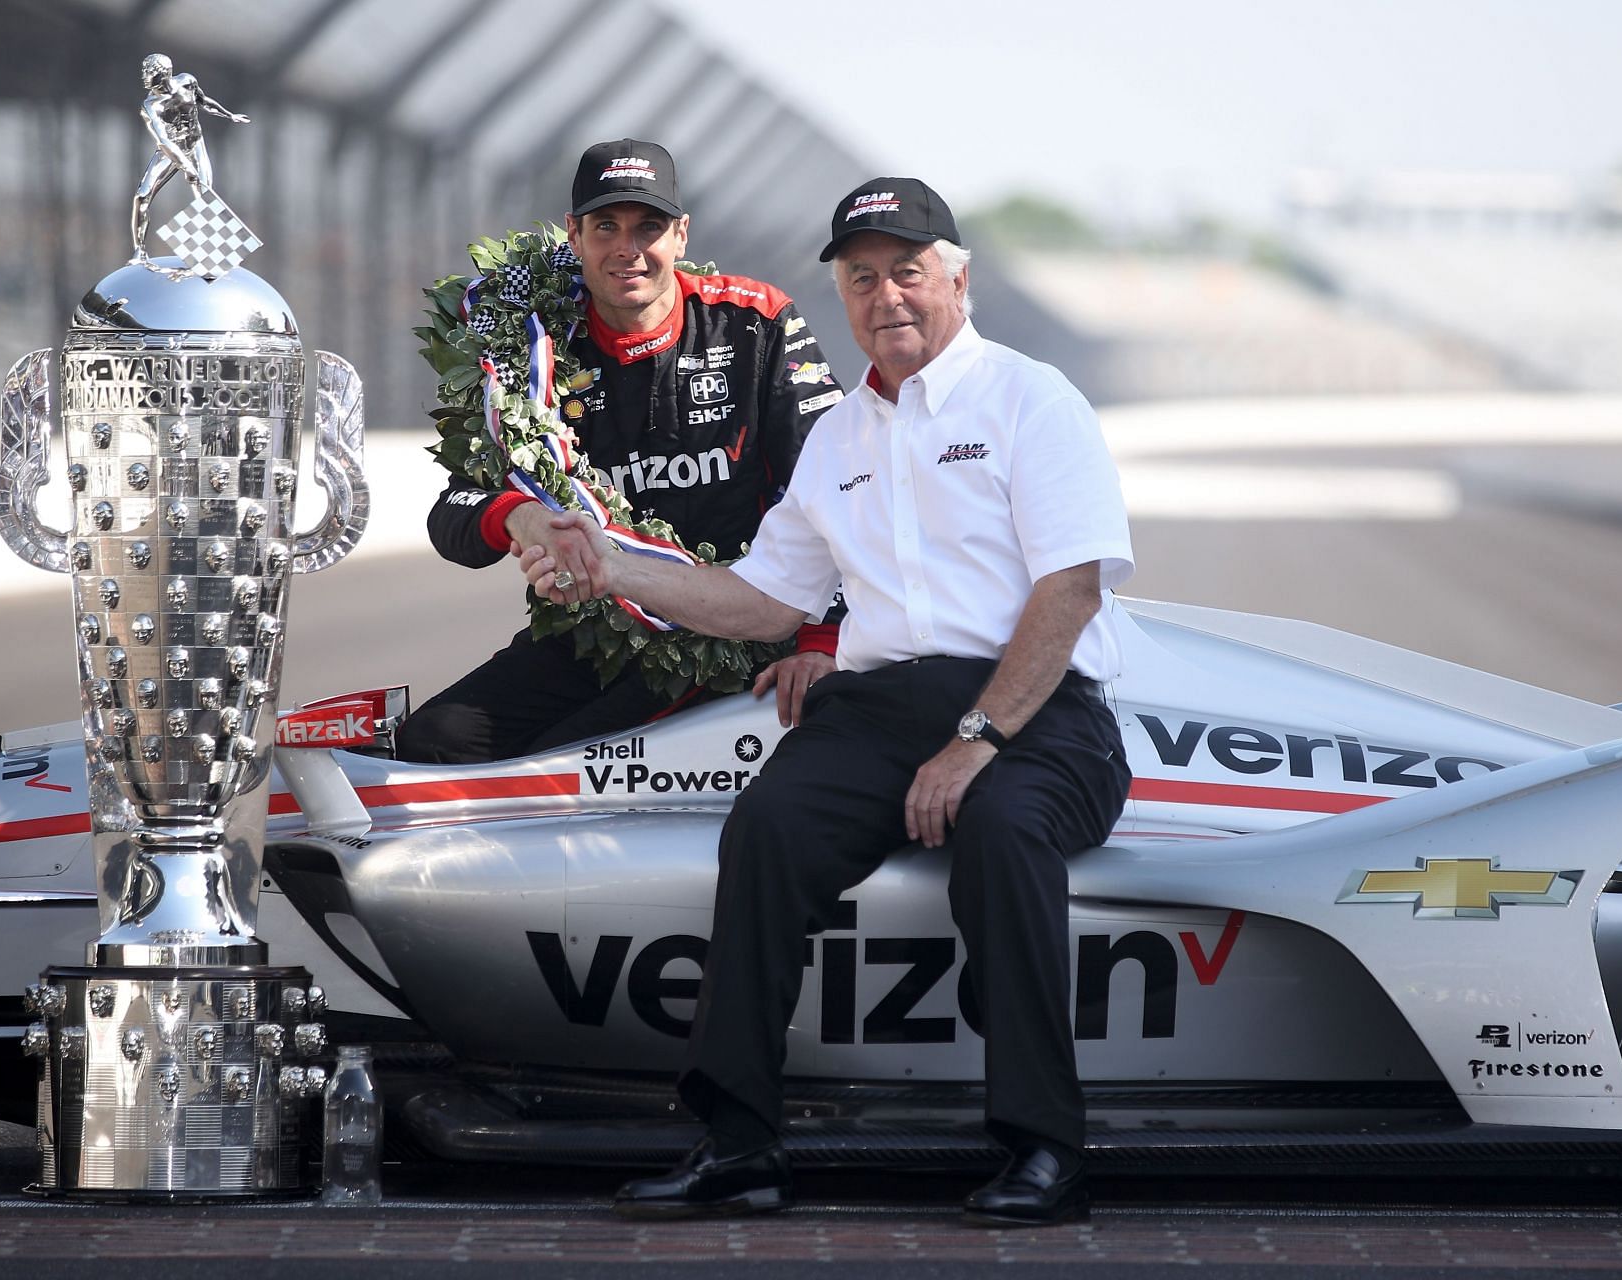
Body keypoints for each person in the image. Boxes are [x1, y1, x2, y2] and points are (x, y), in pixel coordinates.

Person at [515, 178, 1134, 1227]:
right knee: (768, 827)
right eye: (861, 276)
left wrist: (978, 738)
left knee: (1002, 827)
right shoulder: (838, 437)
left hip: (1037, 711)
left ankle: (1042, 1146)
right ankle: (740, 1145)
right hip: (878, 708)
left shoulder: (1033, 397)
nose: (885, 293)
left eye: (907, 269)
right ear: (842, 295)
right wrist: (610, 564)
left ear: (957, 278)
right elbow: (760, 601)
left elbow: (1069, 588)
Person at [397, 138, 845, 764]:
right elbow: (453, 511)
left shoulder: (755, 322)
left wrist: (822, 641)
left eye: (648, 227)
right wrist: (520, 519)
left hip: (731, 637)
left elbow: (846, 491)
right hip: (595, 633)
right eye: (606, 226)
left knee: (556, 765)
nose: (627, 249)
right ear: (574, 236)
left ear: (681, 236)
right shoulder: (529, 344)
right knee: (433, 741)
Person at [130, 53, 250, 263]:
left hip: (194, 144)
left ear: (163, 73)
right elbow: (163, 141)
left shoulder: (187, 81)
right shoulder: (151, 106)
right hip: (170, 151)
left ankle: (213, 250)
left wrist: (229, 115)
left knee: (205, 194)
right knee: (142, 196)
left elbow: (204, 102)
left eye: (149, 71)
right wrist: (185, 166)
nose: (144, 76)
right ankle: (139, 251)